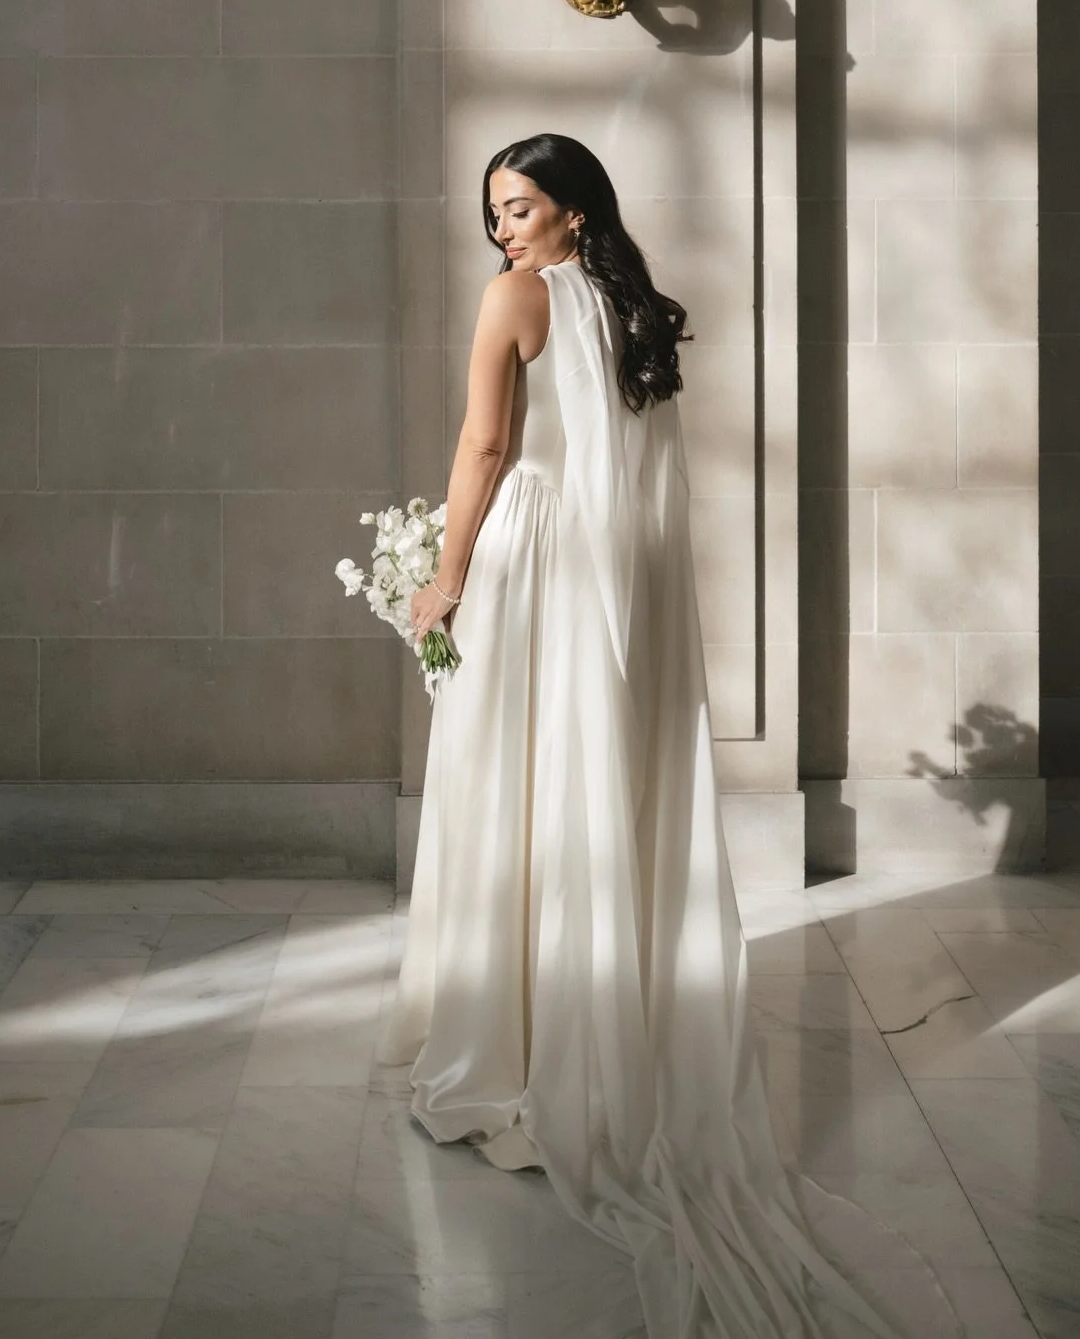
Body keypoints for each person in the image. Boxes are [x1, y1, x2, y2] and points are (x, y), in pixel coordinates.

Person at [376, 134, 960, 1339]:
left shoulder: (521, 300)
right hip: (621, 590)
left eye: (522, 207)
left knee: (511, 787)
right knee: (579, 791)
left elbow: (486, 448)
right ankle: (583, 1029)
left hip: (535, 565)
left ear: (575, 212)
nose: (503, 231)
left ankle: (507, 1037)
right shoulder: (627, 310)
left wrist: (442, 577)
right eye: (494, 213)